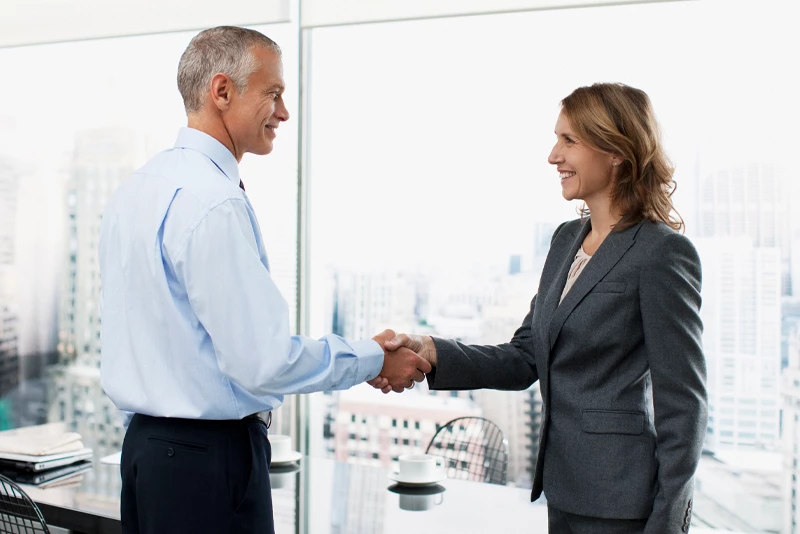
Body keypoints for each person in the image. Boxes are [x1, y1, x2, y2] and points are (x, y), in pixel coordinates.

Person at [98, 26, 430, 534]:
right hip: (208, 466)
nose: (284, 111)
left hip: (144, 457)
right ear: (223, 91)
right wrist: (371, 357)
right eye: (273, 93)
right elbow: (263, 361)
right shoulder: (214, 201)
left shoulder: (135, 189)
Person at [376, 83, 707, 533]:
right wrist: (431, 350)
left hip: (622, 503)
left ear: (615, 149)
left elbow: (684, 407)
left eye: (569, 140)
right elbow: (526, 356)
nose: (554, 156)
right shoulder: (565, 241)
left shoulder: (661, 253)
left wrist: (668, 524)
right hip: (562, 491)